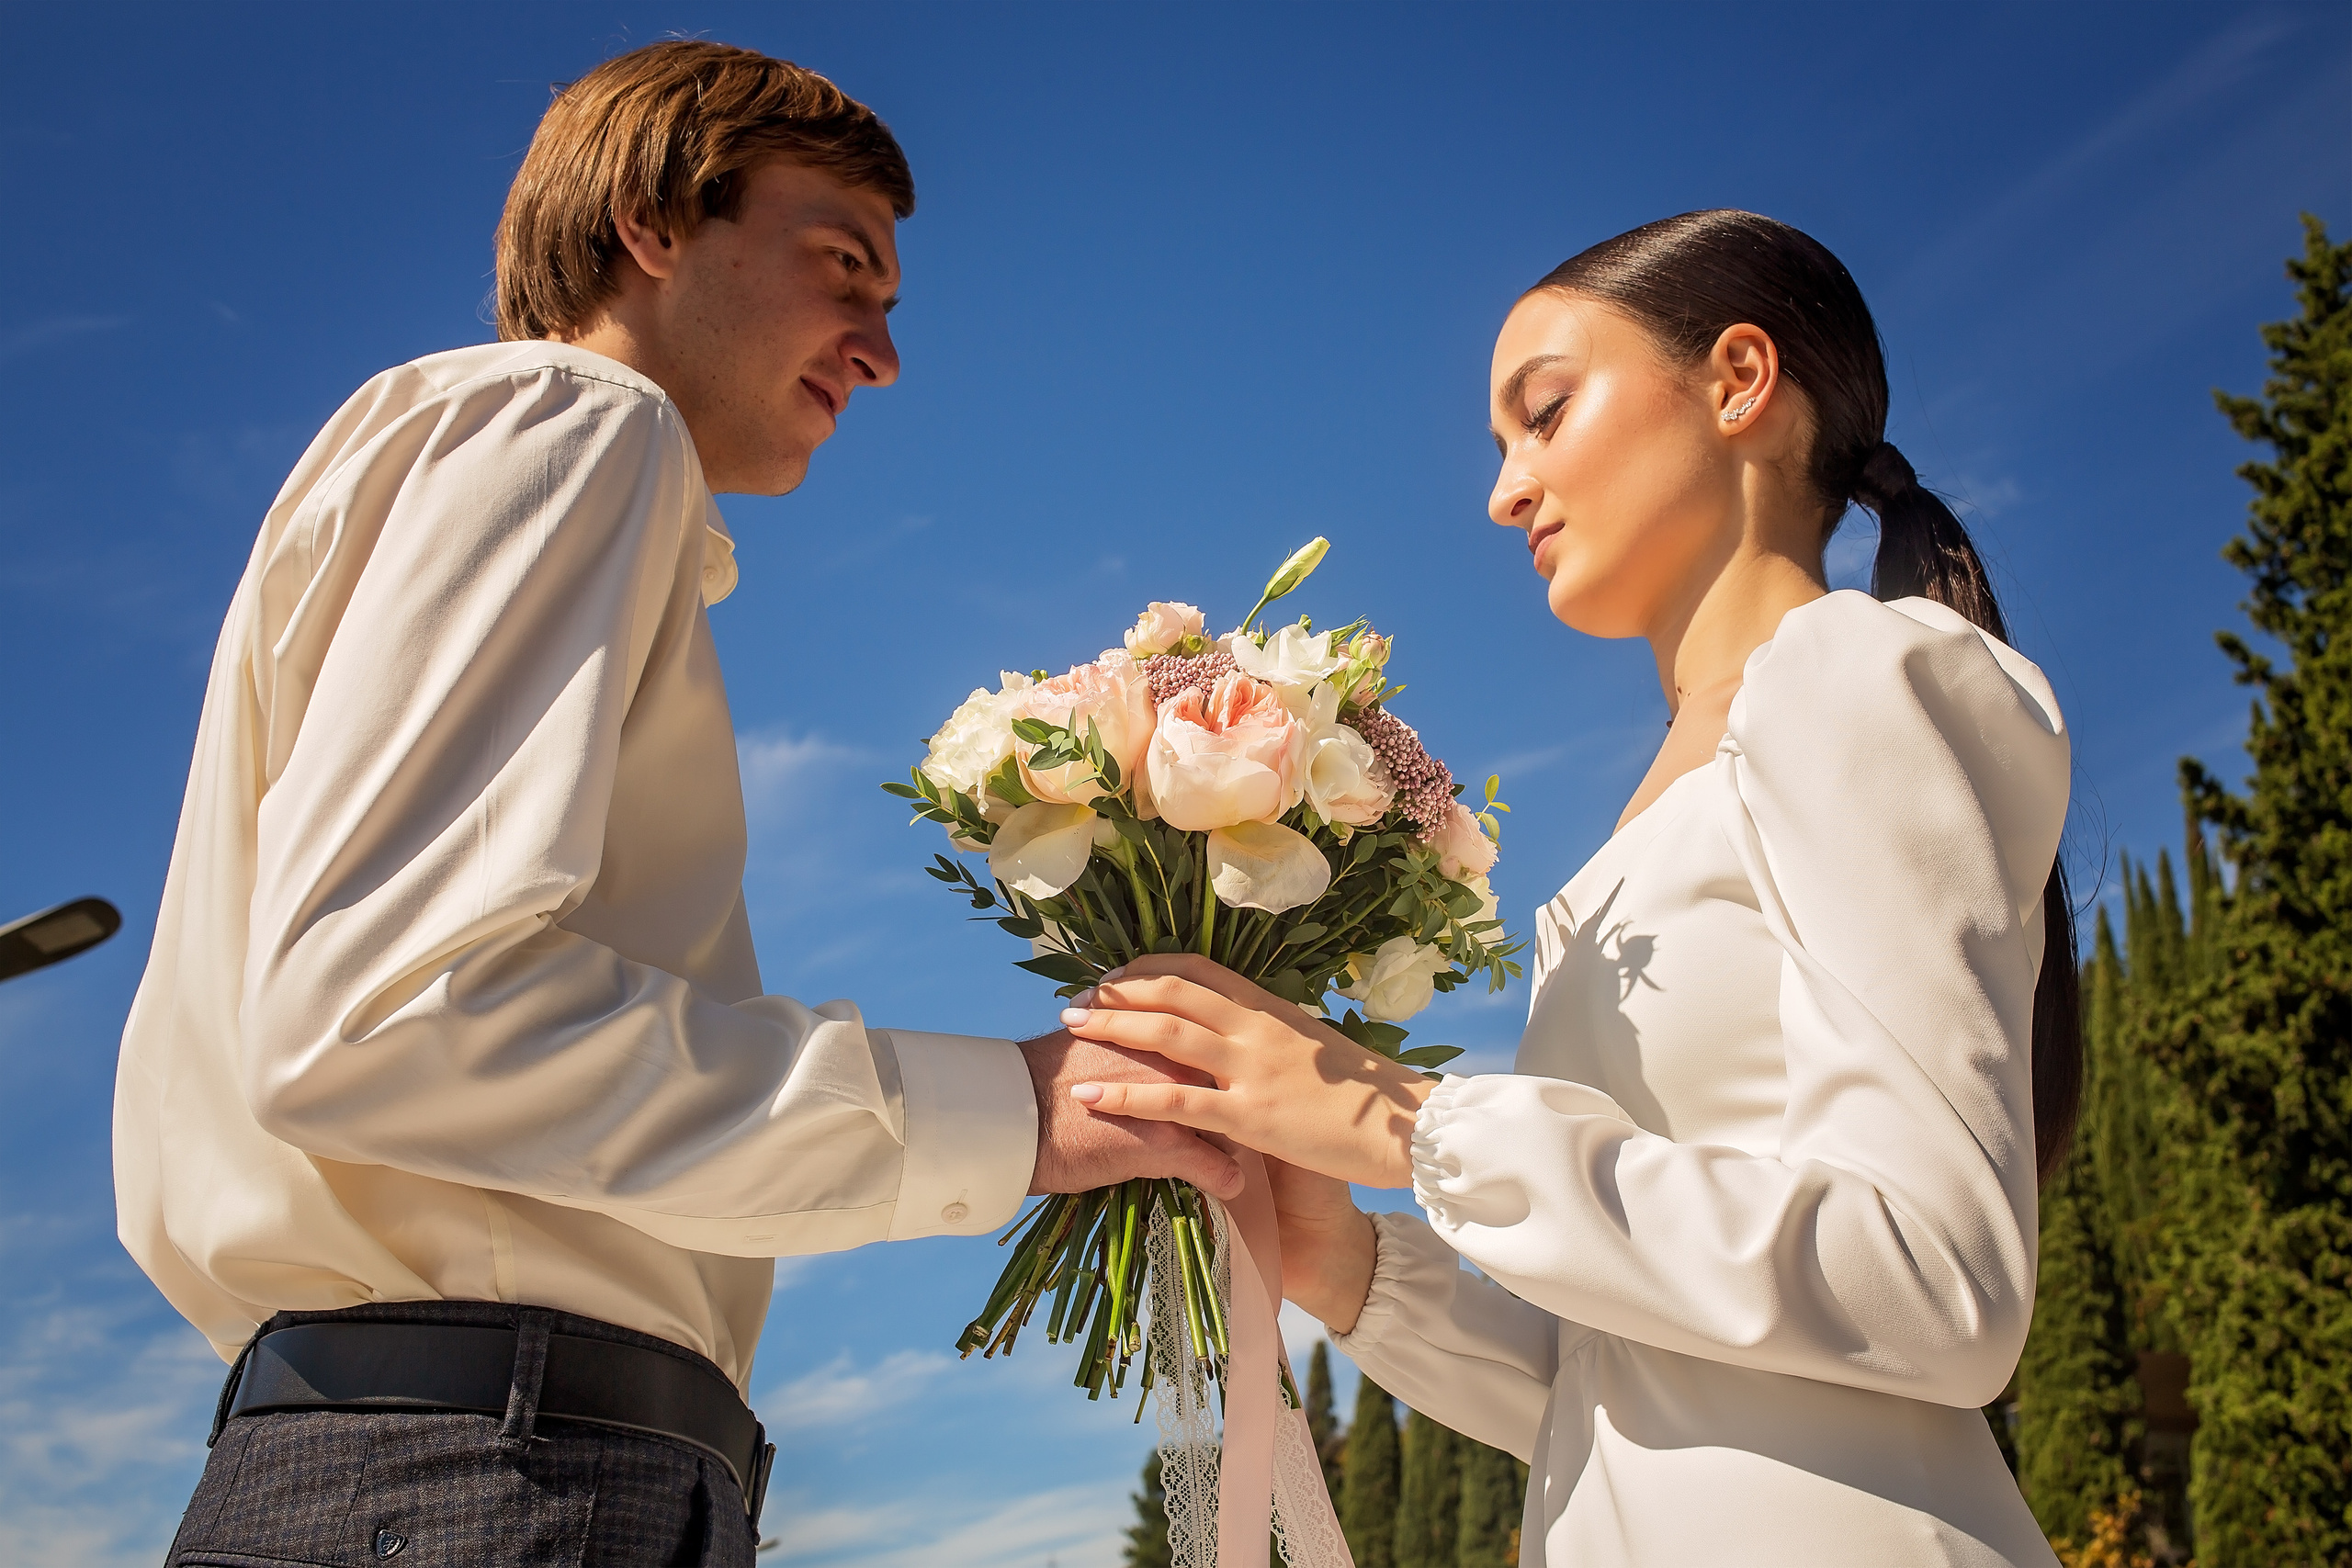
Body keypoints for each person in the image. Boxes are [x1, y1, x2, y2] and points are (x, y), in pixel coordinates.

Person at [117, 40, 1238, 1568]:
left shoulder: (490, 462)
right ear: (653, 223)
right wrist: (1013, 1111)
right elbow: (392, 1018)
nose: (880, 351)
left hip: (468, 1465)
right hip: (478, 1477)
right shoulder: (576, 419)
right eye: (841, 265)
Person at [1057, 210, 2078, 1567]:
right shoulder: (1660, 803)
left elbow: (1936, 1282)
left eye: (1543, 413)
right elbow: (1638, 1387)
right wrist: (1355, 1269)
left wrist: (1402, 1120)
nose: (1503, 492)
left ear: (1739, 380)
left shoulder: (1852, 677)